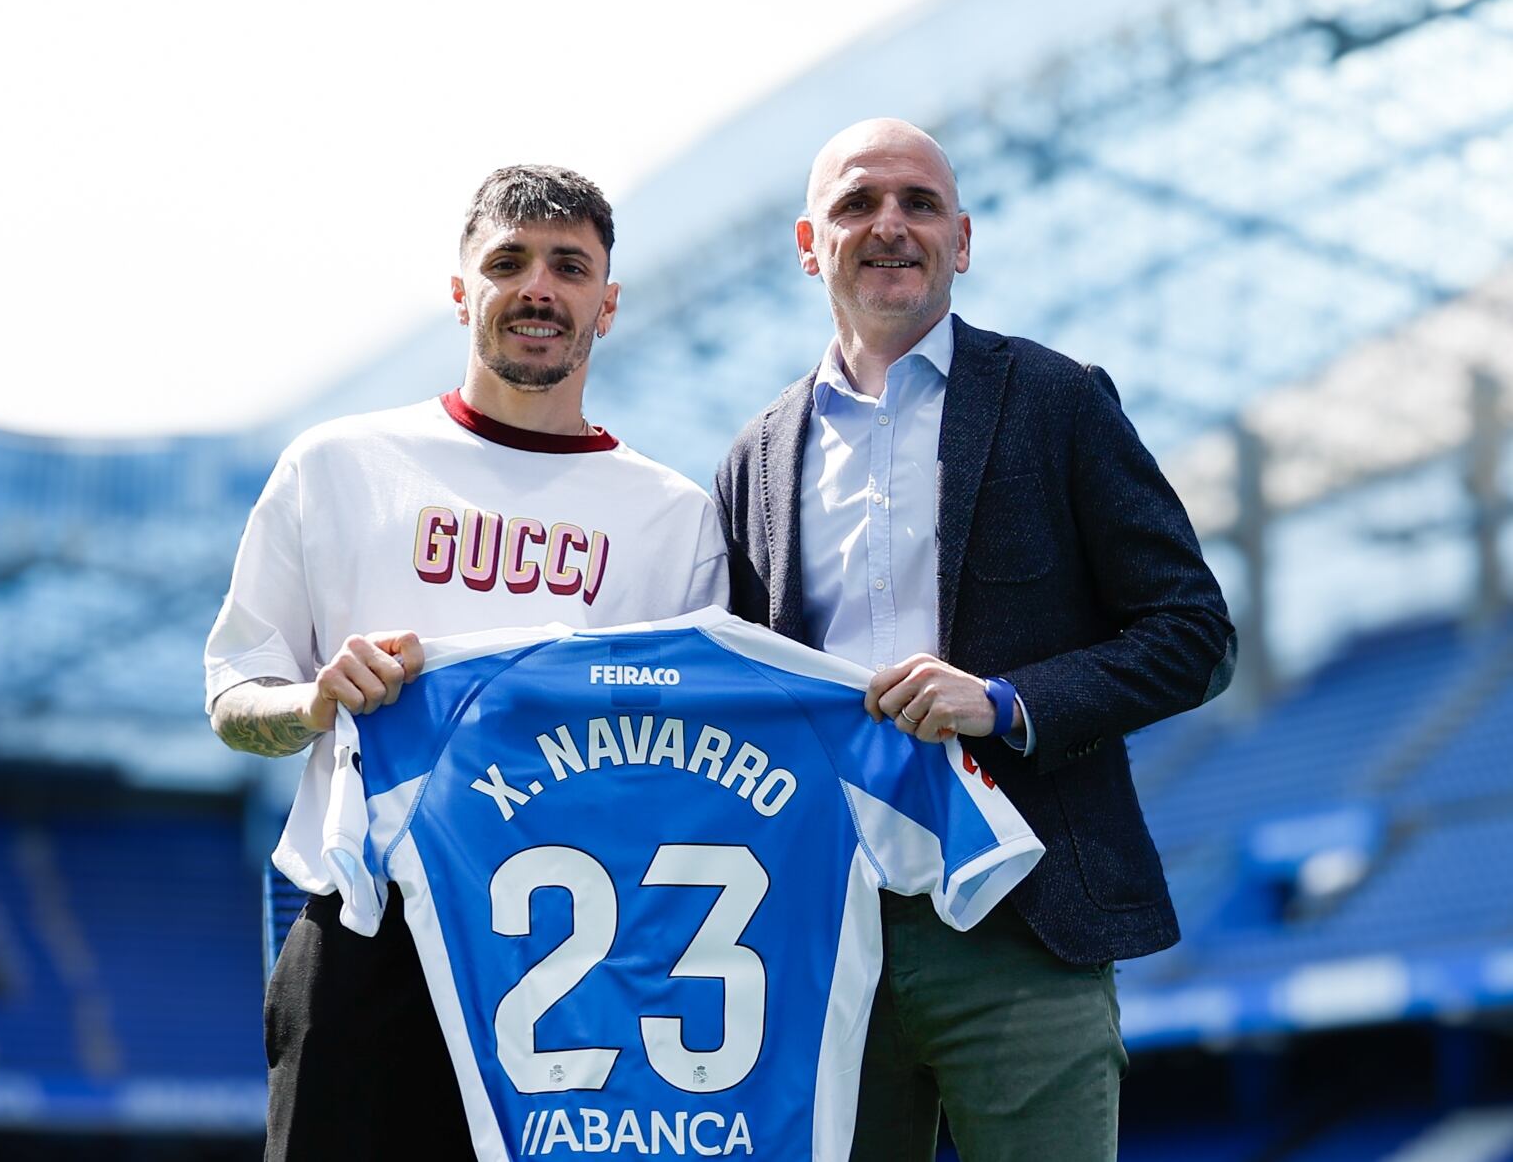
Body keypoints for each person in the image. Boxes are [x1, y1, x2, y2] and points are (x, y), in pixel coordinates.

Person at [713, 118, 1236, 1162]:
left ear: (963, 237)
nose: (890, 225)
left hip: (1025, 925)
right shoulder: (755, 458)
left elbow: (1194, 631)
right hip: (823, 939)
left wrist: (1003, 700)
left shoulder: (1058, 401)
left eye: (919, 202)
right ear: (810, 243)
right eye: (858, 203)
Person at [205, 165, 729, 1160]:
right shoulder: (336, 466)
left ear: (606, 303)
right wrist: (315, 701)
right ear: (461, 291)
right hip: (369, 937)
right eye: (508, 261)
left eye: (568, 265)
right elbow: (233, 697)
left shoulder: (673, 519)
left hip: (574, 949)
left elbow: (684, 769)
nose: (539, 286)